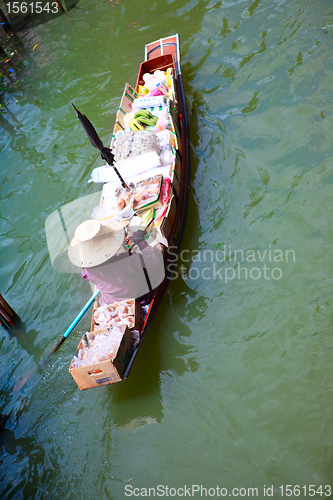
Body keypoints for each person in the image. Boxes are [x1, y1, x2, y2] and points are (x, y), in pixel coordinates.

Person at [67, 219, 166, 306]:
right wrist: (141, 242)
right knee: (159, 248)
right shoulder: (130, 259)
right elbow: (154, 264)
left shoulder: (88, 272)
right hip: (141, 297)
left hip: (113, 303)